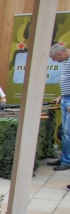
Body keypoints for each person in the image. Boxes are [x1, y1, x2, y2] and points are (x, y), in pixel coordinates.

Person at [49, 43, 70, 171]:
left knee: (68, 133)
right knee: (65, 132)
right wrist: (62, 95)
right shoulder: (66, 61)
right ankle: (64, 158)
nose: (54, 61)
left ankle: (67, 161)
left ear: (60, 54)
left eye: (54, 58)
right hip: (66, 98)